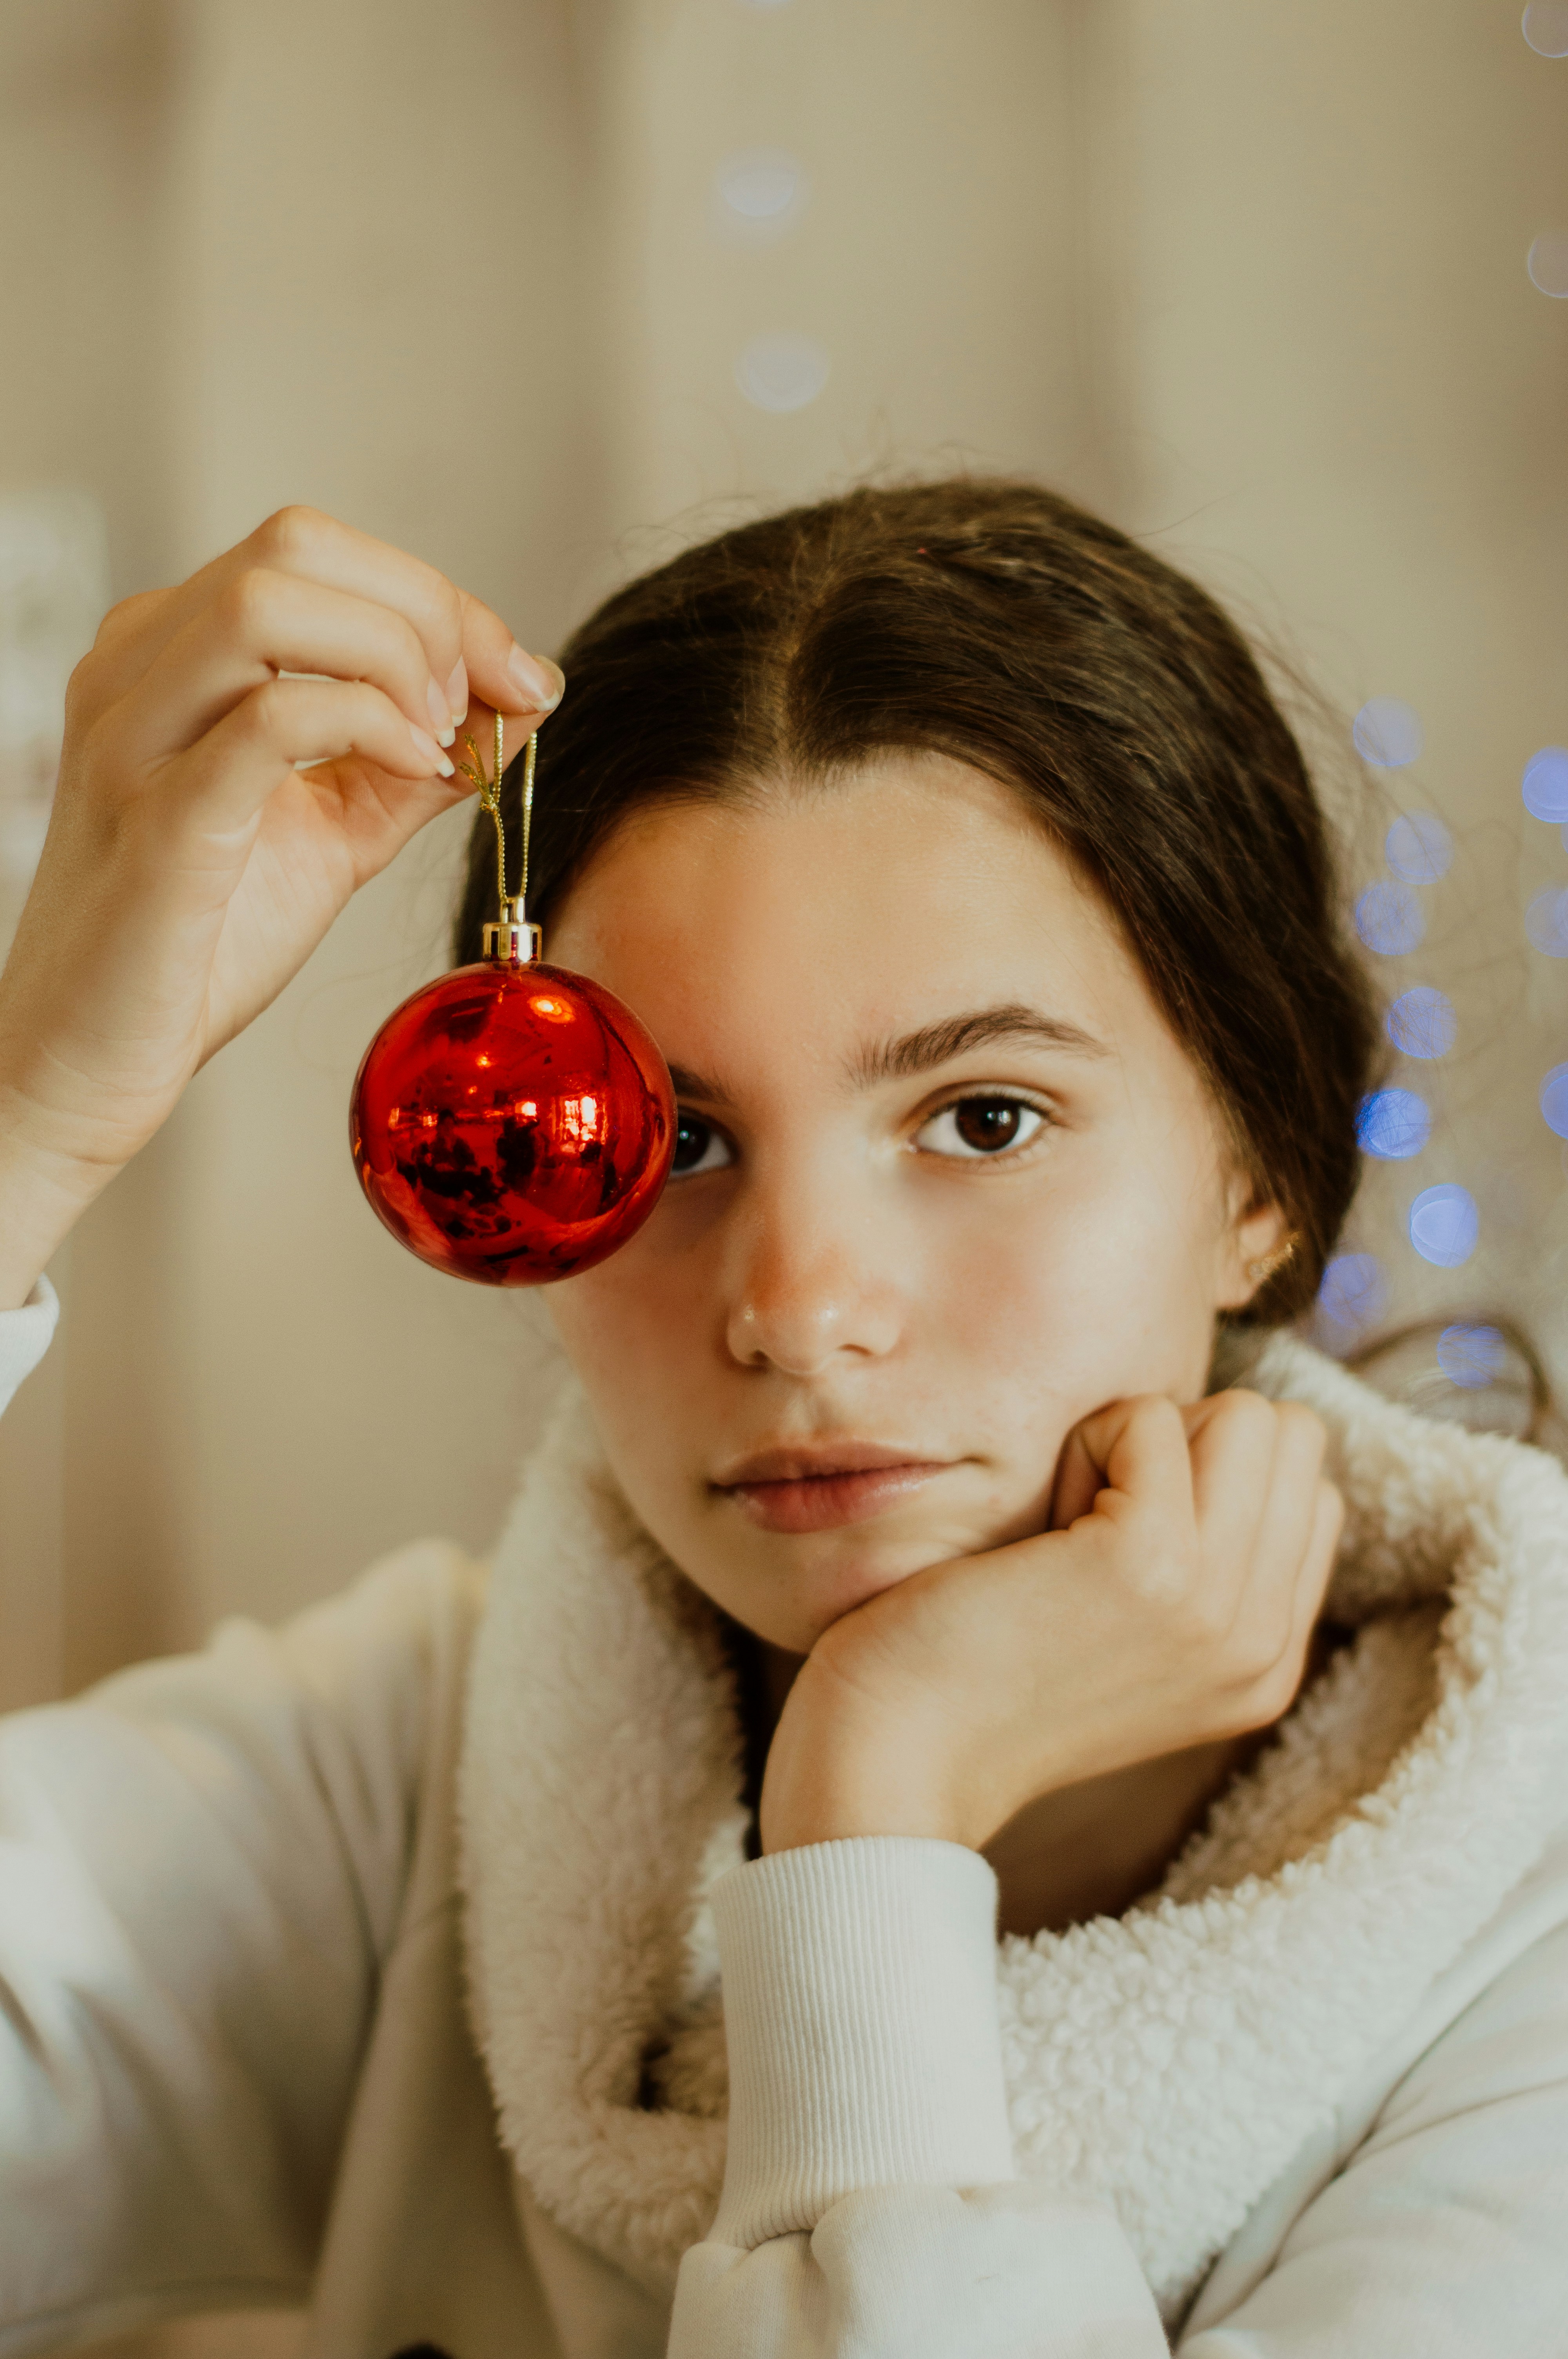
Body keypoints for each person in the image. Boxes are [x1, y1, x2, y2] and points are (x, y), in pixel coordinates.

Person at [1, 482, 1566, 2359]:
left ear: (1262, 1171)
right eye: (677, 1139)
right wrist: (33, 1120)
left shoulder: (1520, 1908)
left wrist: (866, 1822)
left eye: (985, 1116)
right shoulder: (425, 1776)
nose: (800, 1307)